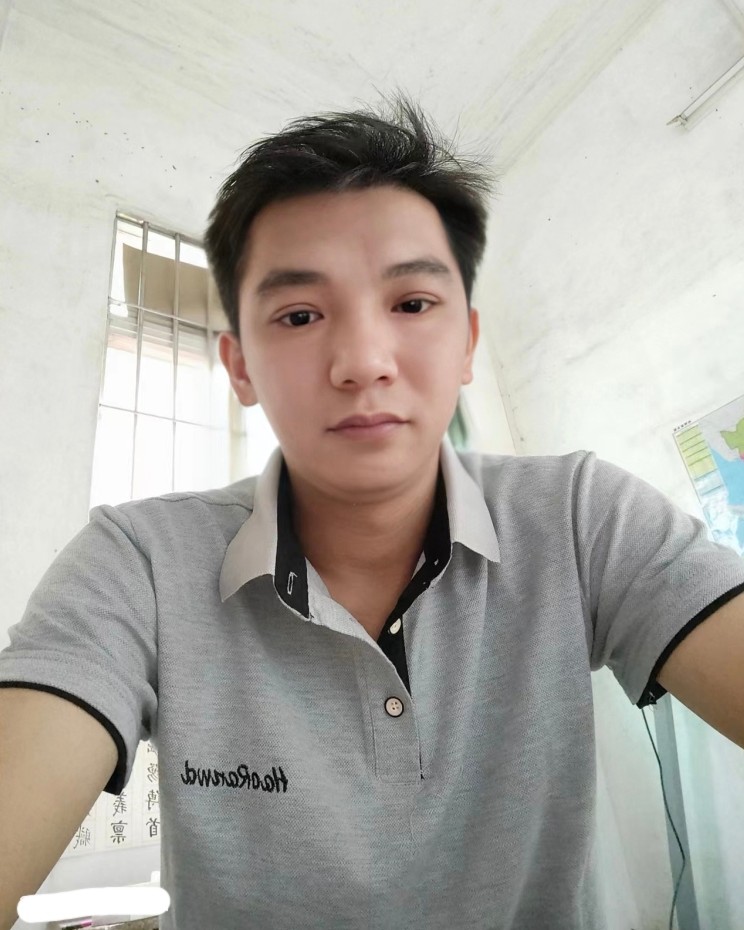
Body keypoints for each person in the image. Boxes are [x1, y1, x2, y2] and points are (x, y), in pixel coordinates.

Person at [2, 90, 744, 930]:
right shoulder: (137, 562)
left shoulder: (580, 518)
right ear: (239, 366)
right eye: (300, 314)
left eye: (412, 304)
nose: (362, 361)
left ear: (466, 342)